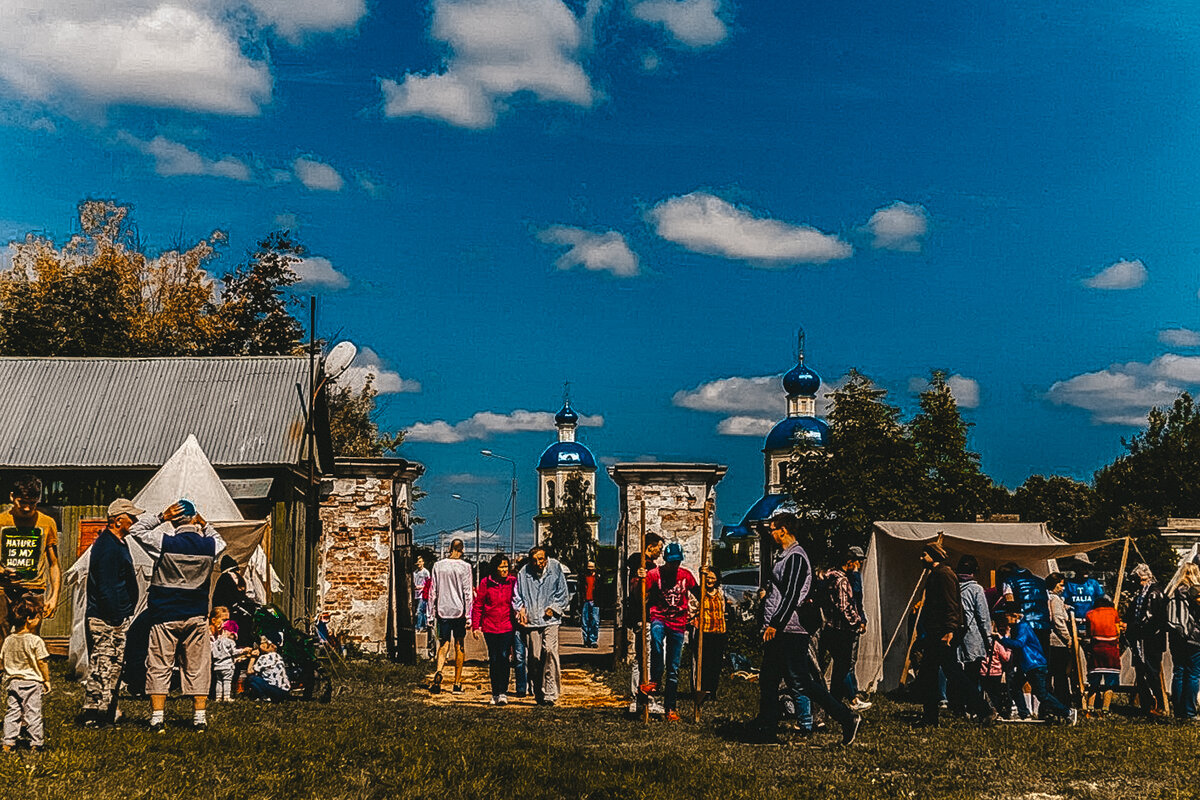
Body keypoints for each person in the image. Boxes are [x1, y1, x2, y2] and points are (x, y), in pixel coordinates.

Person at [750, 511, 861, 745]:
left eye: (773, 529)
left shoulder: (797, 557)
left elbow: (791, 594)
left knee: (800, 681)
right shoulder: (784, 556)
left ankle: (846, 716)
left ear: (784, 530)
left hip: (790, 629)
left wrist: (775, 623)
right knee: (769, 679)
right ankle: (766, 728)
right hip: (780, 628)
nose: (770, 533)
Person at [129, 500, 226, 732]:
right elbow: (222, 542)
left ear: (175, 521)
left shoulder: (165, 542)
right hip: (196, 613)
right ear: (194, 519)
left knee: (160, 664)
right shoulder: (210, 546)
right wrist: (206, 524)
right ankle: (199, 716)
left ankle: (157, 716)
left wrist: (161, 516)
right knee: (198, 665)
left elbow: (136, 530)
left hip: (165, 613)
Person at [80, 498, 142, 728]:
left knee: (112, 665)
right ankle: (94, 713)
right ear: (117, 520)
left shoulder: (117, 543)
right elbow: (107, 586)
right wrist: (115, 616)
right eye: (131, 517)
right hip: (107, 617)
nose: (135, 520)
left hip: (116, 614)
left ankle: (105, 710)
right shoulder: (107, 547)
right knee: (103, 664)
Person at [0, 475, 62, 634]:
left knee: (29, 643)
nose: (27, 508)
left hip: (34, 591)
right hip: (3, 590)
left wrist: (54, 596)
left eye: (32, 503)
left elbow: (54, 563)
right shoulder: (2, 521)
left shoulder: (47, 523)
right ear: (12, 496)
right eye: (22, 502)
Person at [644, 542, 697, 722]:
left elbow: (699, 592)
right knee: (656, 640)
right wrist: (639, 580)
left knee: (674, 668)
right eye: (671, 562)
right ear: (665, 560)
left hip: (678, 622)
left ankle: (671, 708)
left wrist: (696, 614)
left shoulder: (686, 576)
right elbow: (640, 594)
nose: (674, 566)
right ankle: (655, 679)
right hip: (659, 616)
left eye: (677, 562)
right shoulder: (653, 574)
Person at [914, 541, 963, 727]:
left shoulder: (944, 575)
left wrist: (950, 630)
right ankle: (929, 717)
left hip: (942, 633)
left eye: (924, 554)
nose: (921, 558)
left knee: (952, 673)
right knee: (930, 675)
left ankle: (981, 708)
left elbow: (952, 605)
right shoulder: (936, 574)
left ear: (933, 556)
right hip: (935, 632)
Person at [513, 546, 570, 706]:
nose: (539, 563)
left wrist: (554, 608)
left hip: (550, 620)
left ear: (546, 558)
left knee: (550, 651)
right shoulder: (524, 573)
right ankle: (538, 692)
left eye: (541, 559)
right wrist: (521, 609)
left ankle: (551, 692)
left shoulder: (555, 568)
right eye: (535, 560)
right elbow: (517, 596)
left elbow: (563, 594)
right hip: (532, 621)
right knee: (535, 657)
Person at [1000, 606, 1075, 723]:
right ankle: (1023, 713)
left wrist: (1003, 639)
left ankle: (1067, 712)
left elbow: (1019, 644)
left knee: (1042, 694)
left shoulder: (1022, 627)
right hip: (1027, 664)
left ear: (1014, 615)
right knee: (1015, 687)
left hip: (1034, 664)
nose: (1005, 620)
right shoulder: (1018, 627)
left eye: (1007, 617)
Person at [949, 555, 997, 724]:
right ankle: (973, 707)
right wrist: (988, 638)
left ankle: (957, 707)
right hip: (972, 637)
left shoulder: (951, 586)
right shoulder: (976, 589)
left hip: (954, 635)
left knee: (955, 674)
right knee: (972, 676)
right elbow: (983, 616)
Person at [822, 547, 870, 711]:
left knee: (839, 668)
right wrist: (856, 621)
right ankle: (848, 699)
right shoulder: (842, 580)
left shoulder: (829, 576)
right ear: (849, 562)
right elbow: (845, 606)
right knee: (843, 667)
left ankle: (835, 703)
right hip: (842, 629)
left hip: (831, 626)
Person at [0, 600, 50, 752]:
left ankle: (8, 742)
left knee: (13, 712)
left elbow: (2, 659)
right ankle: (36, 743)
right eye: (37, 617)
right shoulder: (36, 640)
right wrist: (46, 679)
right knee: (33, 713)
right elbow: (42, 662)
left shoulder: (8, 640)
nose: (39, 620)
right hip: (32, 683)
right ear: (29, 619)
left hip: (13, 682)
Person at [428, 539, 474, 694]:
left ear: (449, 548)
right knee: (459, 645)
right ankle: (457, 683)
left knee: (444, 644)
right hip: (459, 611)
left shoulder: (438, 566)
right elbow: (468, 593)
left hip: (443, 610)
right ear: (462, 550)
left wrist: (430, 614)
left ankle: (439, 671)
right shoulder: (465, 567)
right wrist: (469, 616)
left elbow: (432, 591)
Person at [625, 532, 664, 714]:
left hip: (646, 618)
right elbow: (638, 593)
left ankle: (638, 697)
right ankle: (642, 698)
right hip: (645, 617)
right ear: (651, 547)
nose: (660, 552)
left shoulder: (645, 566)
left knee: (642, 659)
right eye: (659, 548)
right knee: (646, 659)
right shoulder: (642, 566)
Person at [471, 553, 518, 705]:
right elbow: (478, 605)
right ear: (495, 568)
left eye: (506, 566)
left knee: (504, 657)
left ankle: (503, 692)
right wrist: (475, 626)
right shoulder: (486, 583)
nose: (505, 570)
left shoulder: (512, 582)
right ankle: (495, 692)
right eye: (502, 566)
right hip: (490, 627)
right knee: (494, 659)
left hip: (507, 626)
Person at [1127, 563, 1167, 716]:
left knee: (1151, 672)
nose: (1139, 583)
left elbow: (1150, 619)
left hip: (1149, 639)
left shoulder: (1154, 593)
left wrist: (1137, 630)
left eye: (1141, 579)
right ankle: (1147, 705)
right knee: (1141, 672)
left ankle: (1156, 704)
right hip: (1141, 639)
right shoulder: (1142, 593)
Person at [691, 566, 731, 701]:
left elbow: (724, 610)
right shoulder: (699, 592)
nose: (710, 580)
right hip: (704, 632)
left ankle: (712, 691)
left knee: (715, 663)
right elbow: (691, 609)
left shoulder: (719, 592)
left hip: (718, 632)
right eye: (707, 577)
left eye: (713, 578)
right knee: (703, 663)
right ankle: (701, 691)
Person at [1167, 563, 1200, 721]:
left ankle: (1178, 711)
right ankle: (1189, 712)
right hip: (1193, 637)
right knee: (1193, 674)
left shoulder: (1173, 591)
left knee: (1178, 672)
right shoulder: (1195, 592)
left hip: (1175, 635)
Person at [1084, 596, 1122, 717]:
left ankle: (1090, 708)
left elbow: (1088, 633)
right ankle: (1105, 709)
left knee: (1094, 682)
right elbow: (1118, 631)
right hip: (1111, 650)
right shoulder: (1113, 612)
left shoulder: (1090, 614)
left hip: (1096, 650)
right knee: (1110, 682)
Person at [1045, 572, 1075, 708]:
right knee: (1060, 675)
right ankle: (1062, 702)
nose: (1062, 588)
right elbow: (1058, 621)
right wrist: (1068, 638)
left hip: (1049, 641)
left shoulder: (1049, 598)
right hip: (1057, 642)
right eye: (1060, 585)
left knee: (1050, 674)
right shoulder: (1055, 599)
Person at [981, 614, 1013, 718]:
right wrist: (1009, 649)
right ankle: (999, 710)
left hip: (983, 671)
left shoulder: (982, 644)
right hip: (996, 671)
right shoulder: (997, 645)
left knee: (987, 692)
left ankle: (987, 709)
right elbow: (1005, 658)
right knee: (996, 693)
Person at [245, 634, 291, 702]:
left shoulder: (264, 658)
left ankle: (264, 696)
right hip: (284, 691)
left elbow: (249, 671)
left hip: (274, 690)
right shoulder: (278, 656)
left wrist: (253, 657)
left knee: (251, 679)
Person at [212, 621, 248, 702]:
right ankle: (226, 697)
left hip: (217, 665)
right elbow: (234, 652)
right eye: (232, 634)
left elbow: (213, 652)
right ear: (227, 631)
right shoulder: (230, 642)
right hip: (227, 665)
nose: (233, 637)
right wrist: (242, 651)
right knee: (227, 681)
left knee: (219, 681)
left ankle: (218, 697)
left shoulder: (216, 641)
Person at [580, 561, 600, 648]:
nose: (590, 569)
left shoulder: (598, 577)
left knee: (595, 621)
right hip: (585, 601)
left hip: (595, 601)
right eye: (589, 567)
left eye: (592, 567)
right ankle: (586, 640)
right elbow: (580, 589)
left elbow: (601, 590)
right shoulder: (583, 577)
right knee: (585, 622)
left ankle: (593, 640)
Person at [413, 556, 431, 631]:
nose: (419, 564)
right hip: (416, 593)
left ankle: (418, 626)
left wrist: (422, 587)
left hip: (422, 594)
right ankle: (424, 626)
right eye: (418, 562)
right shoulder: (415, 572)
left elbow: (429, 583)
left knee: (419, 610)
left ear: (423, 562)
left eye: (420, 562)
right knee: (422, 611)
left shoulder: (425, 572)